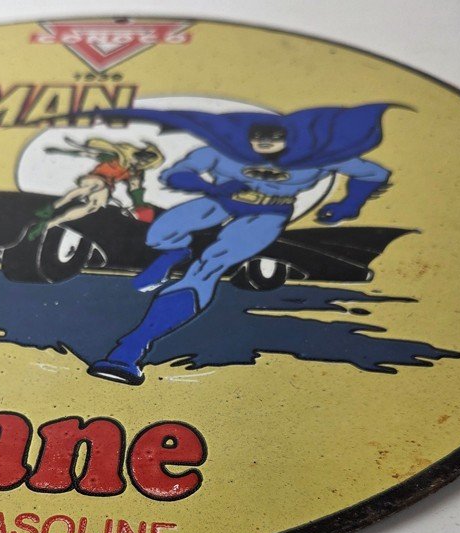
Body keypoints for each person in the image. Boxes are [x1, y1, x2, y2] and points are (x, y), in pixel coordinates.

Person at [85, 104, 395, 385]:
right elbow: (176, 174)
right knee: (161, 232)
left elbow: (373, 173)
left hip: (267, 213)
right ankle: (175, 252)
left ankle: (130, 350)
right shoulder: (225, 151)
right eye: (258, 135)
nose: (264, 141)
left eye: (273, 136)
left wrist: (348, 205)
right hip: (221, 201)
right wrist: (209, 187)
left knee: (210, 265)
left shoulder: (315, 158)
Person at [27, 138, 163, 240]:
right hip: (94, 178)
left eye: (144, 163)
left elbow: (135, 189)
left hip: (107, 186)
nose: (139, 163)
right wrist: (60, 151)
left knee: (93, 207)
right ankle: (51, 208)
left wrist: (140, 206)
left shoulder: (135, 173)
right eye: (139, 159)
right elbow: (87, 154)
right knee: (96, 185)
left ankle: (47, 225)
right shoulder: (116, 159)